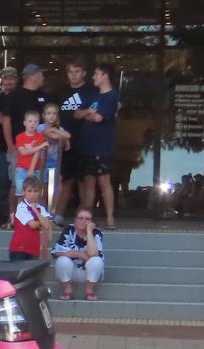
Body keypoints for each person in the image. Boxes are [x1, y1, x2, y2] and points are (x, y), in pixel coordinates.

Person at [76, 63, 119, 231]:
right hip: (87, 145)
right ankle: (87, 218)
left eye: (96, 73)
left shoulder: (111, 96)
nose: (93, 77)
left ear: (105, 75)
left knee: (104, 180)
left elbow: (99, 118)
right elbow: (77, 113)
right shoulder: (92, 95)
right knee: (89, 181)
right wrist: (88, 112)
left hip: (103, 146)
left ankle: (110, 217)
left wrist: (89, 114)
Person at [54, 59, 95, 224]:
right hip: (64, 143)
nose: (73, 75)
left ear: (84, 73)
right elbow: (53, 116)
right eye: (70, 71)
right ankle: (58, 214)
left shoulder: (92, 91)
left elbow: (99, 110)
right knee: (64, 180)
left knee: (83, 181)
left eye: (77, 71)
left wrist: (83, 113)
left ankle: (83, 216)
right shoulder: (60, 92)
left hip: (86, 141)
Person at [52, 208, 104, 301]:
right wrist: (79, 254)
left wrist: (89, 231)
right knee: (62, 260)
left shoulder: (96, 232)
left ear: (92, 222)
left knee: (97, 261)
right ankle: (67, 290)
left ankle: (89, 291)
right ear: (75, 220)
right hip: (71, 271)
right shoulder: (69, 230)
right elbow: (56, 251)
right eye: (80, 218)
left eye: (87, 219)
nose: (83, 221)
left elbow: (93, 254)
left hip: (88, 273)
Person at [0, 67, 18, 228]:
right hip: (1, 147)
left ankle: (16, 216)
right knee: (2, 182)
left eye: (11, 79)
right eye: (5, 79)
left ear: (16, 80)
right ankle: (3, 215)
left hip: (20, 146)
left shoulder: (19, 96)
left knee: (17, 183)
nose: (8, 82)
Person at [38, 103, 71, 217]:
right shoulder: (41, 127)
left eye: (54, 113)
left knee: (56, 188)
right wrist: (60, 135)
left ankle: (51, 213)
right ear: (43, 115)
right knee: (43, 188)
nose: (51, 116)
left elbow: (68, 141)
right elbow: (50, 134)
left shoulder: (59, 128)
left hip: (54, 162)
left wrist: (59, 134)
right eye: (48, 113)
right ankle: (42, 213)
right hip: (42, 162)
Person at [8, 175, 50, 261]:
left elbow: (47, 225)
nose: (33, 194)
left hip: (34, 248)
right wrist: (41, 221)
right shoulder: (21, 207)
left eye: (35, 191)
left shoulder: (41, 208)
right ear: (24, 192)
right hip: (19, 248)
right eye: (29, 191)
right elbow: (33, 225)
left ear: (39, 192)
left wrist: (36, 211)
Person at [13, 110, 48, 209]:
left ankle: (34, 216)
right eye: (30, 121)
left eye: (35, 122)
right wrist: (38, 147)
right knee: (20, 193)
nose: (32, 124)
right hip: (21, 169)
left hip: (36, 170)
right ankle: (20, 216)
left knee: (36, 194)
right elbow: (23, 152)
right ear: (24, 123)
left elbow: (38, 154)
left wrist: (32, 149)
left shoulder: (40, 137)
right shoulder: (20, 137)